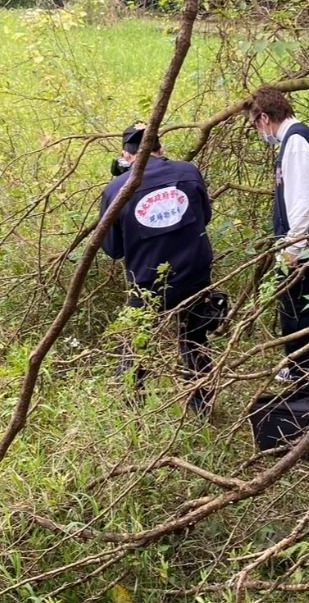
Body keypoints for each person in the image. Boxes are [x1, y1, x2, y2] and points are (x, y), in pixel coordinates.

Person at [101, 123, 215, 412]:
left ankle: (131, 407)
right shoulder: (188, 172)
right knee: (196, 339)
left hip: (148, 282)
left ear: (126, 158)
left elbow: (113, 249)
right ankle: (202, 405)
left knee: (137, 341)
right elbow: (206, 216)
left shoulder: (116, 189)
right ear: (160, 150)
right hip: (194, 274)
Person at [244, 87, 309, 398]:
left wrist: (292, 250)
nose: (259, 133)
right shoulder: (293, 140)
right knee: (292, 308)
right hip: (301, 245)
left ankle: (306, 378)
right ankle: (297, 366)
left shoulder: (296, 143)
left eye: (256, 125)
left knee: (300, 312)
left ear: (265, 118)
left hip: (306, 247)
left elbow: (303, 201)